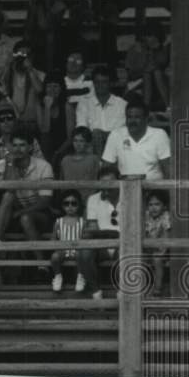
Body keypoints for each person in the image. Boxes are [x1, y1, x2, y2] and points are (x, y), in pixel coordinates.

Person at [0, 125, 55, 287]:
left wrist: (21, 212)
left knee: (26, 218)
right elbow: (7, 190)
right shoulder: (3, 164)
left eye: (22, 145)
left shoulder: (43, 166)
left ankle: (42, 265)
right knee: (8, 195)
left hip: (39, 213)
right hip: (12, 214)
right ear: (10, 147)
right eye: (15, 145)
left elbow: (45, 201)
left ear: (30, 147)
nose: (18, 149)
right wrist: (11, 164)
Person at [77, 164, 123, 300]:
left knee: (127, 251)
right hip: (101, 245)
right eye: (103, 184)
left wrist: (107, 233)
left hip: (123, 244)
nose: (106, 187)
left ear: (119, 181)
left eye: (110, 183)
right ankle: (96, 292)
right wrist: (113, 233)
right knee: (84, 252)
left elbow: (132, 231)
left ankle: (123, 292)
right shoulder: (93, 199)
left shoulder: (129, 195)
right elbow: (92, 230)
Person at [101, 99, 172, 181]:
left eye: (137, 117)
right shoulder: (116, 135)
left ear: (146, 118)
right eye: (129, 117)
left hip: (153, 188)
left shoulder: (159, 135)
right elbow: (105, 170)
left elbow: (168, 169)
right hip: (124, 188)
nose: (132, 121)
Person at [74, 65, 127, 156]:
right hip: (91, 146)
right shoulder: (84, 103)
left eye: (104, 82)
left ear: (110, 83)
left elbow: (121, 131)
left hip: (116, 145)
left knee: (99, 134)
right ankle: (100, 165)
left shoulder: (122, 104)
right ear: (93, 83)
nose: (100, 85)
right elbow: (82, 129)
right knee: (95, 134)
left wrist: (104, 136)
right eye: (97, 82)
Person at [0, 41, 45, 133]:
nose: (24, 57)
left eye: (27, 54)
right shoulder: (9, 74)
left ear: (32, 57)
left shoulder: (40, 74)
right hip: (11, 123)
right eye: (20, 54)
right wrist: (7, 64)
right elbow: (0, 87)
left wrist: (30, 69)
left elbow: (40, 90)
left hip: (32, 123)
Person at [49, 190, 85, 293]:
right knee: (55, 257)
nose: (70, 206)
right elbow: (54, 237)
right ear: (62, 205)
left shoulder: (82, 221)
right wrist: (56, 247)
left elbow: (84, 238)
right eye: (66, 203)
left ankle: (80, 276)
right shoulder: (58, 222)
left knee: (80, 255)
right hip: (62, 250)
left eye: (73, 203)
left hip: (77, 250)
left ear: (79, 205)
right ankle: (58, 276)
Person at [58, 126, 101, 200]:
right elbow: (61, 184)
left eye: (81, 141)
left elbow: (98, 183)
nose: (78, 144)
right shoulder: (65, 160)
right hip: (69, 202)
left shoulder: (93, 159)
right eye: (75, 141)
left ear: (87, 142)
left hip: (89, 201)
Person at [37, 72, 71, 162]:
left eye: (55, 86)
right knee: (45, 139)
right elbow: (44, 130)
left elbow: (70, 138)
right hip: (46, 148)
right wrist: (47, 107)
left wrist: (57, 153)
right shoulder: (40, 105)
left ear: (61, 89)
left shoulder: (67, 106)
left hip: (63, 147)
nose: (52, 90)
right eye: (49, 86)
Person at [144, 190, 172, 297]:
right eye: (150, 205)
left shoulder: (165, 216)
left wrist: (161, 251)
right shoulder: (146, 216)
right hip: (149, 247)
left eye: (157, 204)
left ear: (164, 206)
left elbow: (166, 236)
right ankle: (140, 288)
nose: (153, 208)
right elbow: (144, 233)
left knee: (157, 258)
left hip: (164, 249)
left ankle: (157, 288)